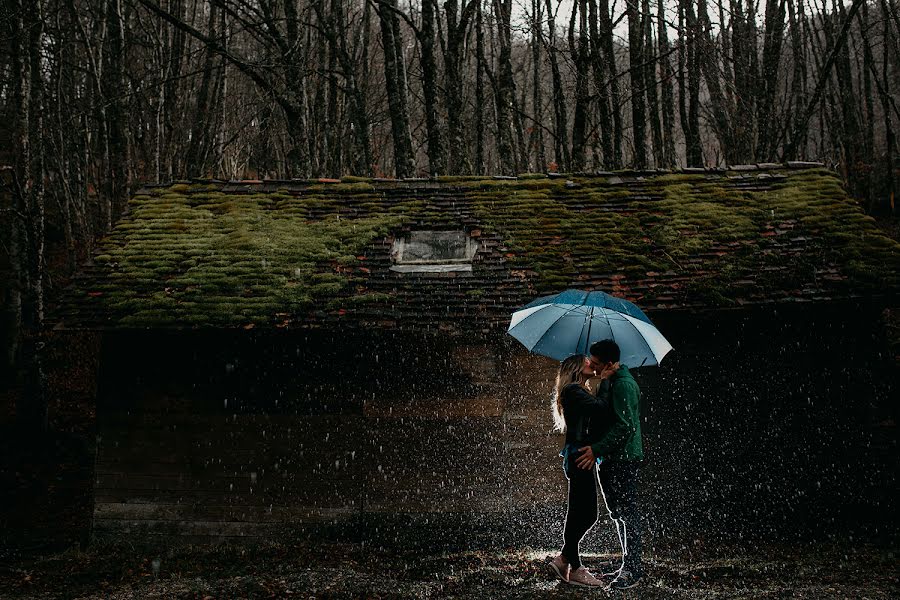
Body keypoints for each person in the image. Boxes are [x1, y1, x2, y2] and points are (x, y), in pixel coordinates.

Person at [575, 339, 644, 590]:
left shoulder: (624, 385)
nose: (591, 366)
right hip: (612, 458)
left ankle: (633, 569)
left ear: (610, 363)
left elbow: (625, 427)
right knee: (618, 514)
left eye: (595, 363)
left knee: (627, 514)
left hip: (623, 459)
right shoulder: (612, 382)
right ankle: (628, 563)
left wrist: (596, 449)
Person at [548, 354, 619, 587]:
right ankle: (571, 563)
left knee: (580, 509)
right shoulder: (572, 391)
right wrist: (606, 380)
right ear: (577, 367)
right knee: (586, 513)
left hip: (581, 453)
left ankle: (567, 560)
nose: (593, 363)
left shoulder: (579, 390)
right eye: (588, 361)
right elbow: (600, 410)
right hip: (580, 455)